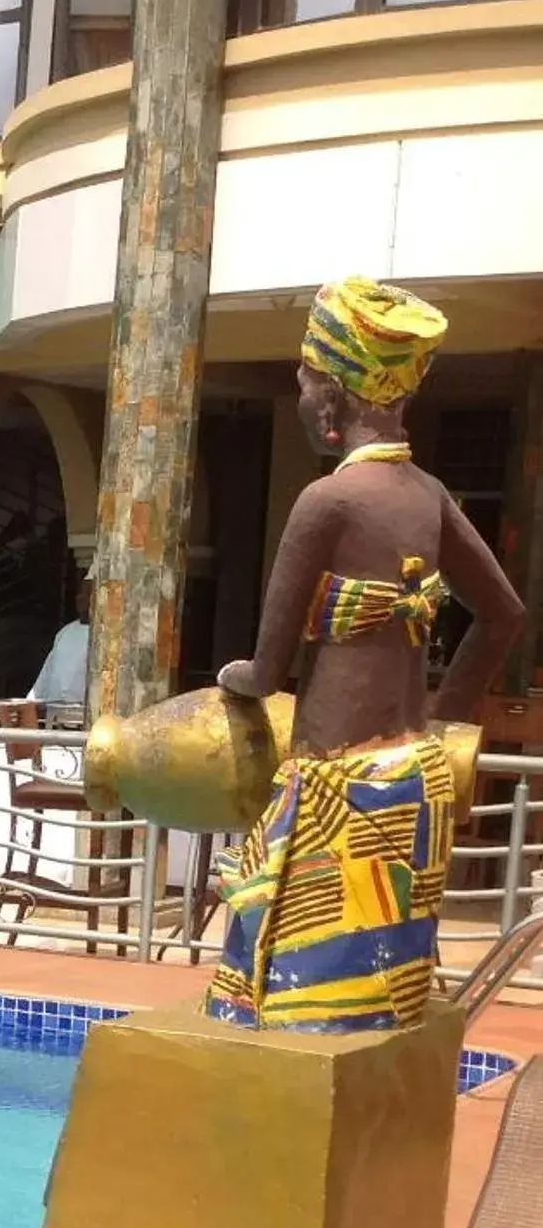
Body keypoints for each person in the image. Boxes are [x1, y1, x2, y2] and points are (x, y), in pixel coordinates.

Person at [204, 277, 524, 1034]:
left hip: (335, 793)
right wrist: (443, 725)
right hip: (413, 782)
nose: (301, 386)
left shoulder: (329, 502)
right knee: (384, 1007)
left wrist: (236, 680)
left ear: (337, 393)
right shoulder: (429, 495)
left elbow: (266, 668)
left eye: (309, 373)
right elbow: (503, 615)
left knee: (293, 1011)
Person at [27, 574, 94, 710]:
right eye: (80, 593)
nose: (79, 598)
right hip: (53, 715)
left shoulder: (103, 637)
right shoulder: (65, 632)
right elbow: (47, 672)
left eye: (87, 594)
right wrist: (30, 703)